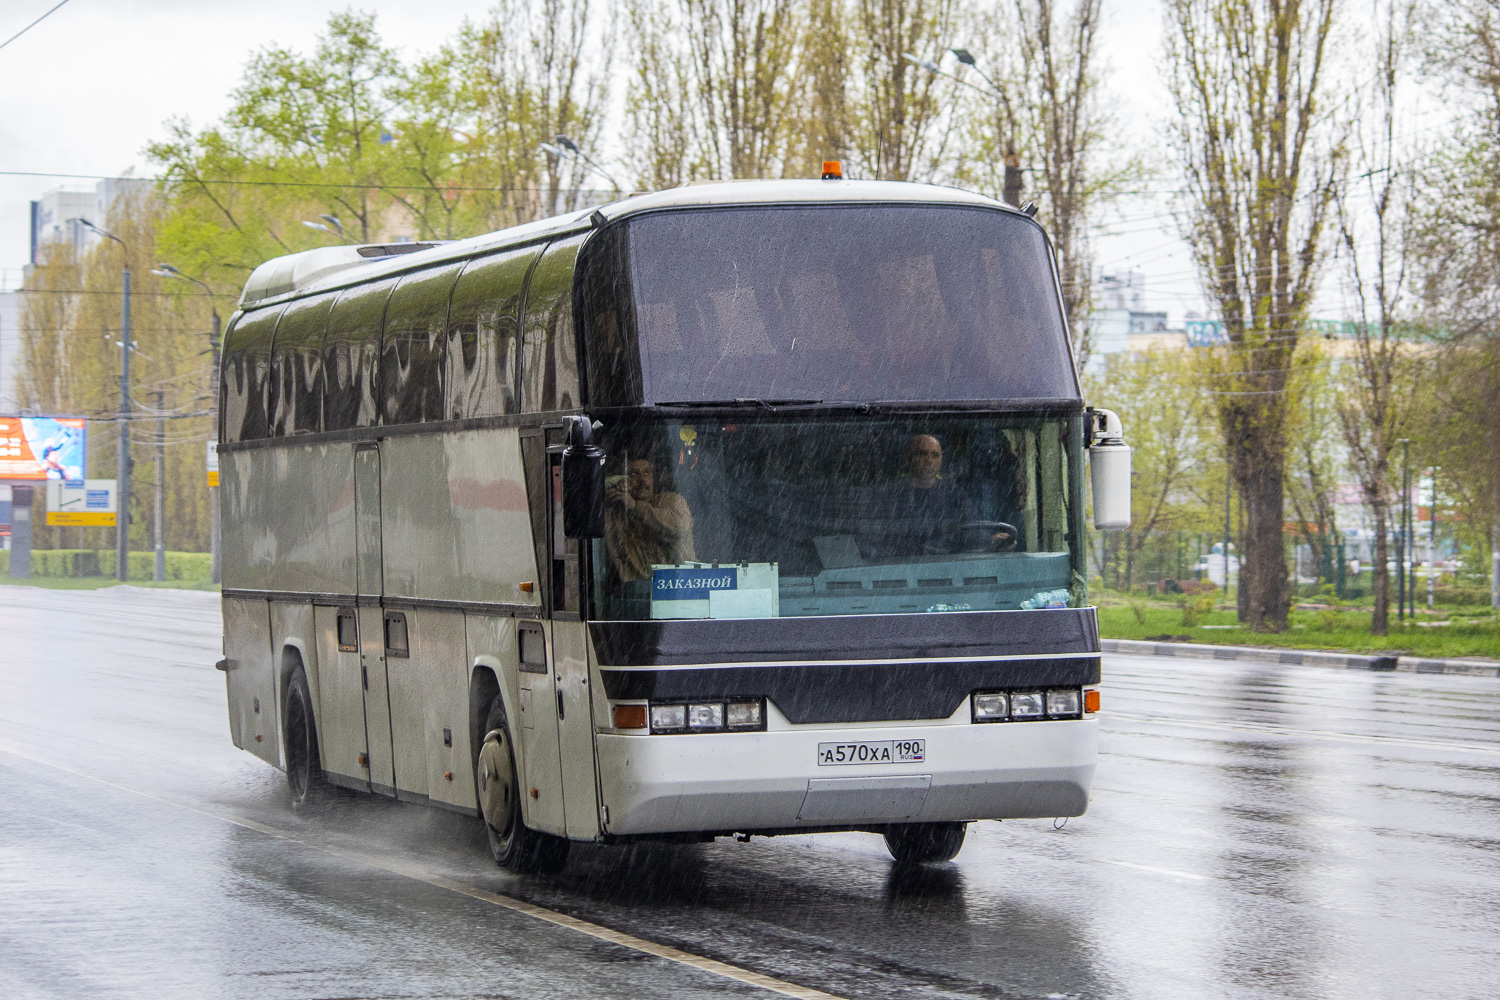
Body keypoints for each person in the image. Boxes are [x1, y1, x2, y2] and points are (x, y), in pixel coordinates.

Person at [865, 434, 1017, 557]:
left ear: (941, 460)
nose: (929, 461)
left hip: (947, 566)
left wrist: (992, 542)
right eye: (922, 454)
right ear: (908, 458)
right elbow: (877, 540)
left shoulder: (956, 495)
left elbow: (972, 535)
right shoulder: (888, 495)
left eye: (935, 455)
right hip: (899, 569)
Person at [605, 455, 696, 581]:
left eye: (647, 473)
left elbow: (679, 528)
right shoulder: (616, 516)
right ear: (622, 480)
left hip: (683, 589)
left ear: (653, 477)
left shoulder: (670, 500)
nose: (642, 480)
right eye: (633, 474)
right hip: (638, 595)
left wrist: (635, 506)